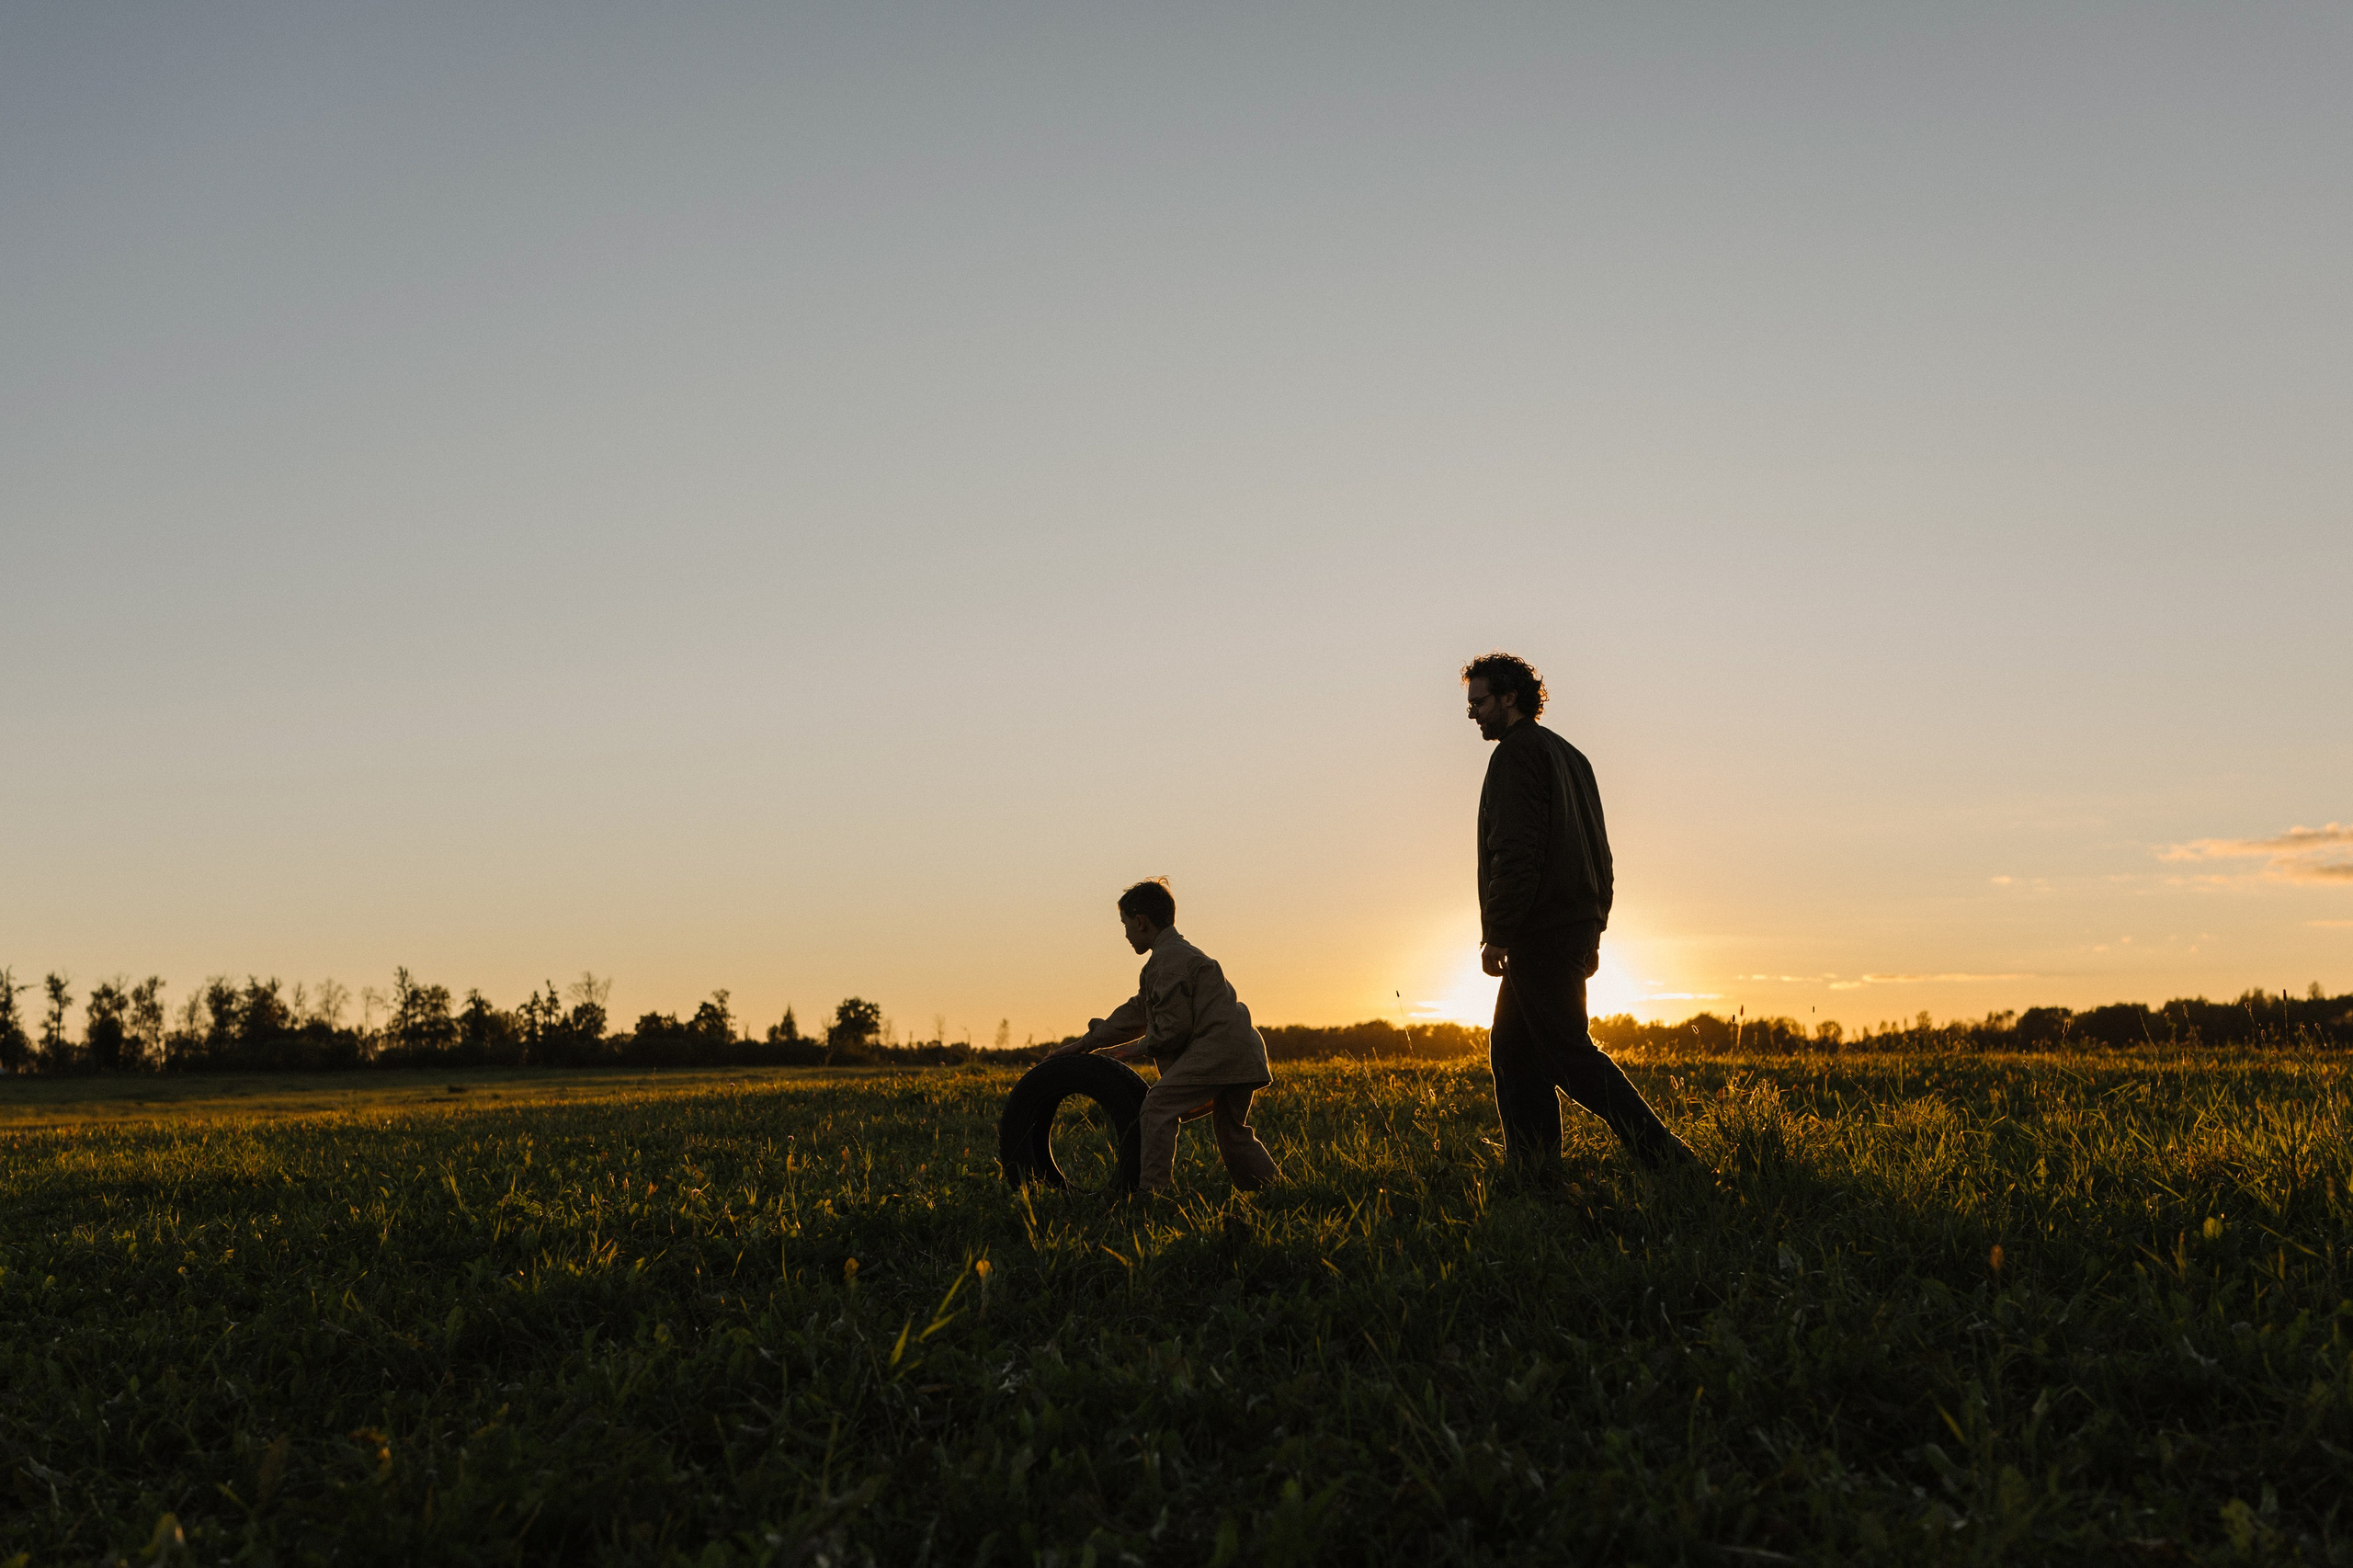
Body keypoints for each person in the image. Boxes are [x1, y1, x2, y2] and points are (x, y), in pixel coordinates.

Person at [1463, 651, 1699, 1174]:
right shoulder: (1571, 756)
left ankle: (1669, 1158)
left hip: (1538, 930)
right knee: (1514, 1052)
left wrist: (1498, 933)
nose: (1473, 713)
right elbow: (1601, 852)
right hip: (1569, 924)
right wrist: (1595, 922)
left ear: (1510, 697)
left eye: (1480, 702)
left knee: (1568, 1054)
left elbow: (1516, 851)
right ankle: (1535, 1171)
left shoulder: (1518, 755)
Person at [1050, 879, 1282, 1196]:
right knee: (1232, 1131)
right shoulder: (1176, 956)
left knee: (1156, 1108)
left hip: (1218, 1052)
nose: (1126, 934)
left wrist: (1135, 1049)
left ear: (1141, 922)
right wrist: (1086, 1043)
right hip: (1244, 1051)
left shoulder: (1167, 964)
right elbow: (1139, 1012)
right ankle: (1274, 1193)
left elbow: (1171, 1030)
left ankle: (1153, 1196)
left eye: (1126, 925)